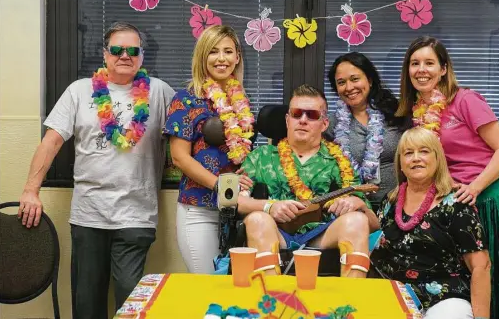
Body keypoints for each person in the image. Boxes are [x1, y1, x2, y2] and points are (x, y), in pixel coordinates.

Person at [18, 22, 175, 318]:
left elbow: (186, 131)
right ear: (105, 55)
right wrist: (30, 191)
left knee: (131, 306)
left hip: (136, 216)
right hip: (89, 215)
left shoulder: (159, 92)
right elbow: (51, 142)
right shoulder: (79, 91)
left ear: (142, 56)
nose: (125, 55)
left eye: (133, 50)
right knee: (86, 305)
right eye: (117, 49)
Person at [396, 35, 499, 319]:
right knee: (471, 286)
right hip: (460, 207)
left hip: (493, 201)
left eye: (429, 63)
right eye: (415, 63)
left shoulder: (465, 100)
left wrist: (474, 187)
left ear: (444, 69)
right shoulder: (418, 112)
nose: (421, 69)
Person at [237, 84, 380, 278]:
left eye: (312, 115)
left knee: (356, 220)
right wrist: (269, 207)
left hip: (321, 236)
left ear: (324, 123)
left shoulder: (340, 161)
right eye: (297, 114)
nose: (303, 120)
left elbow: (372, 224)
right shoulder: (260, 157)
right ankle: (271, 301)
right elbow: (234, 202)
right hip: (276, 234)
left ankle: (351, 301)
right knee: (257, 219)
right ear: (288, 120)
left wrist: (359, 204)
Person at [370, 127, 491, 319]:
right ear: (401, 163)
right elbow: (375, 250)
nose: (416, 158)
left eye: (424, 151)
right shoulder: (389, 202)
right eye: (408, 153)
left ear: (437, 159)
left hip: (446, 298)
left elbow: (480, 266)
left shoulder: (457, 204)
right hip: (393, 295)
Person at [163, 25, 254, 274]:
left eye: (228, 51)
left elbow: (242, 155)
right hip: (199, 210)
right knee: (208, 285)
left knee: (236, 289)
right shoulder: (186, 99)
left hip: (237, 212)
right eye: (213, 52)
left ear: (237, 57)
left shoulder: (242, 103)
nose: (221, 59)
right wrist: (221, 185)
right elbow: (180, 158)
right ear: (203, 56)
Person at [325, 52, 405, 210]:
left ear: (369, 79)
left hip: (399, 203)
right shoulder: (331, 125)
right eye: (341, 82)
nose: (349, 87)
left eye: (355, 79)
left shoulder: (397, 113)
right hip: (354, 208)